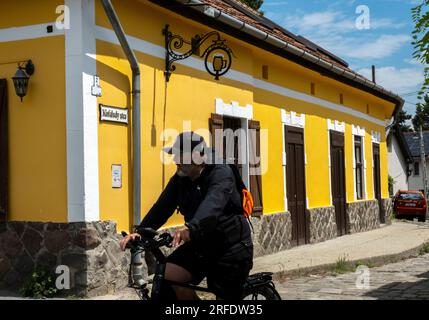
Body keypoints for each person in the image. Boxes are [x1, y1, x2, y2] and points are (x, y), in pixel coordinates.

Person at [120, 131, 253, 300]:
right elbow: (162, 207)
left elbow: (213, 203)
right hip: (201, 244)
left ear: (197, 156)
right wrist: (141, 232)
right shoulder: (181, 178)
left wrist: (192, 226)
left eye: (180, 156)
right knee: (169, 276)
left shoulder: (221, 172)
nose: (175, 161)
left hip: (231, 247)